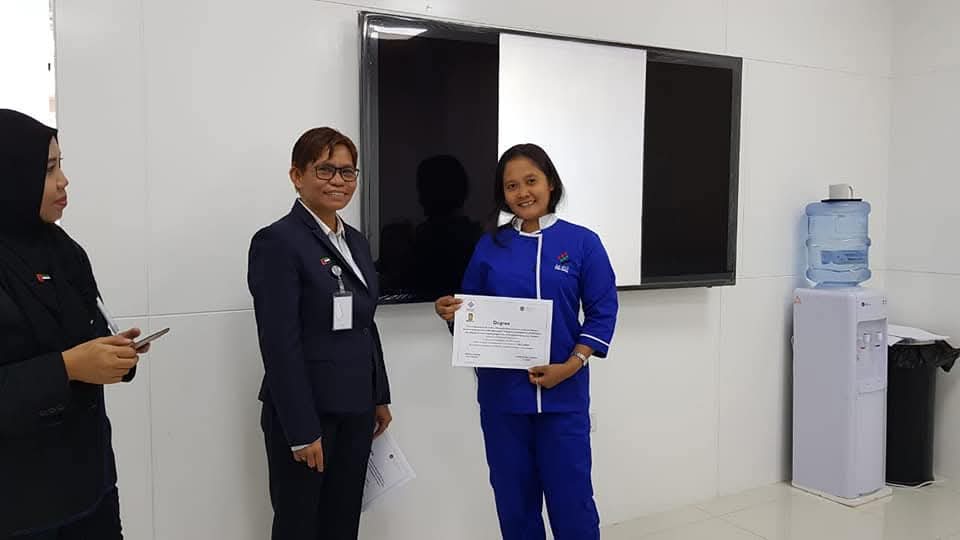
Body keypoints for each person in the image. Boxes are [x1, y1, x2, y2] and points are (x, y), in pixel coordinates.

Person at [434, 143, 618, 540]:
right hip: (503, 401)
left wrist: (571, 365)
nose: (523, 192)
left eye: (531, 180)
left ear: (550, 182)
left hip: (563, 398)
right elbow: (472, 315)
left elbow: (603, 310)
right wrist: (454, 314)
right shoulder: (490, 245)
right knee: (514, 506)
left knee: (573, 505)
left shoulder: (583, 242)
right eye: (512, 185)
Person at [0, 109, 145, 538]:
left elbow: (89, 327)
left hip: (90, 487)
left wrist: (114, 353)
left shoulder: (64, 249)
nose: (64, 181)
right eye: (48, 169)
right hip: (20, 505)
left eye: (61, 165)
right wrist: (67, 367)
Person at [248, 127, 393, 540]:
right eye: (325, 169)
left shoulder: (356, 242)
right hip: (308, 416)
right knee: (299, 527)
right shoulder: (278, 241)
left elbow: (364, 322)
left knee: (342, 525)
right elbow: (279, 343)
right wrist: (301, 430)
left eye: (347, 172)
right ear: (297, 175)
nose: (338, 181)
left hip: (356, 410)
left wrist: (378, 394)